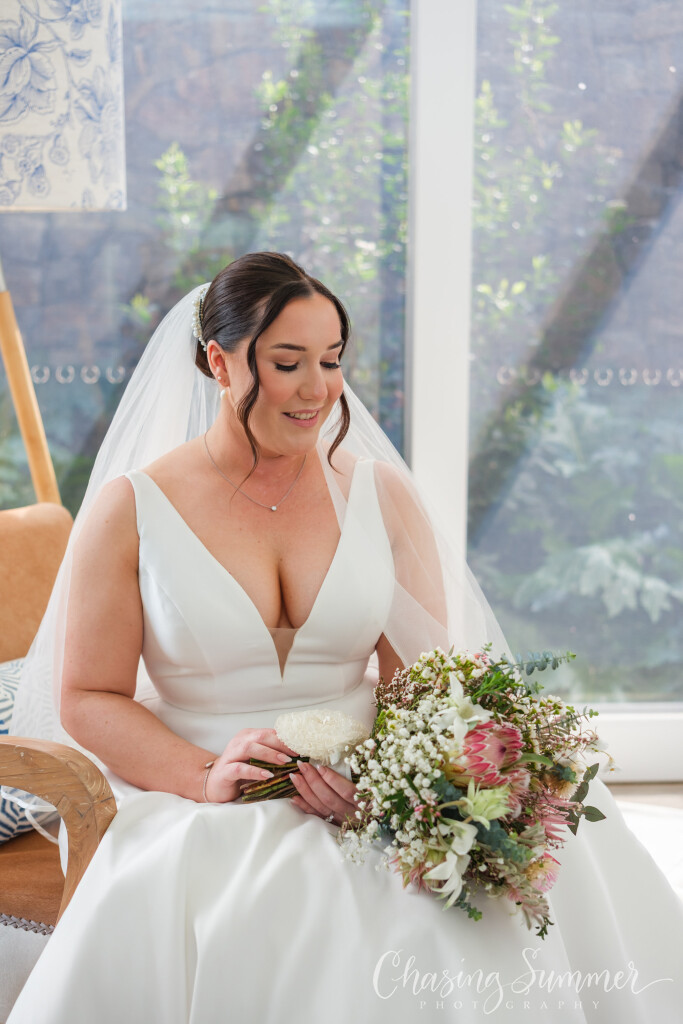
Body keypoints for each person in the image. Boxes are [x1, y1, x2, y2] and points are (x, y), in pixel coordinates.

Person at [6, 253, 683, 1023]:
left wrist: (399, 789)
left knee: (464, 897)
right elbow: (89, 696)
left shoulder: (379, 494)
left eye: (330, 360)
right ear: (219, 363)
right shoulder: (130, 508)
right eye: (286, 362)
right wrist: (205, 775)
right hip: (202, 784)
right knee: (277, 899)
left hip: (367, 771)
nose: (317, 389)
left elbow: (422, 682)